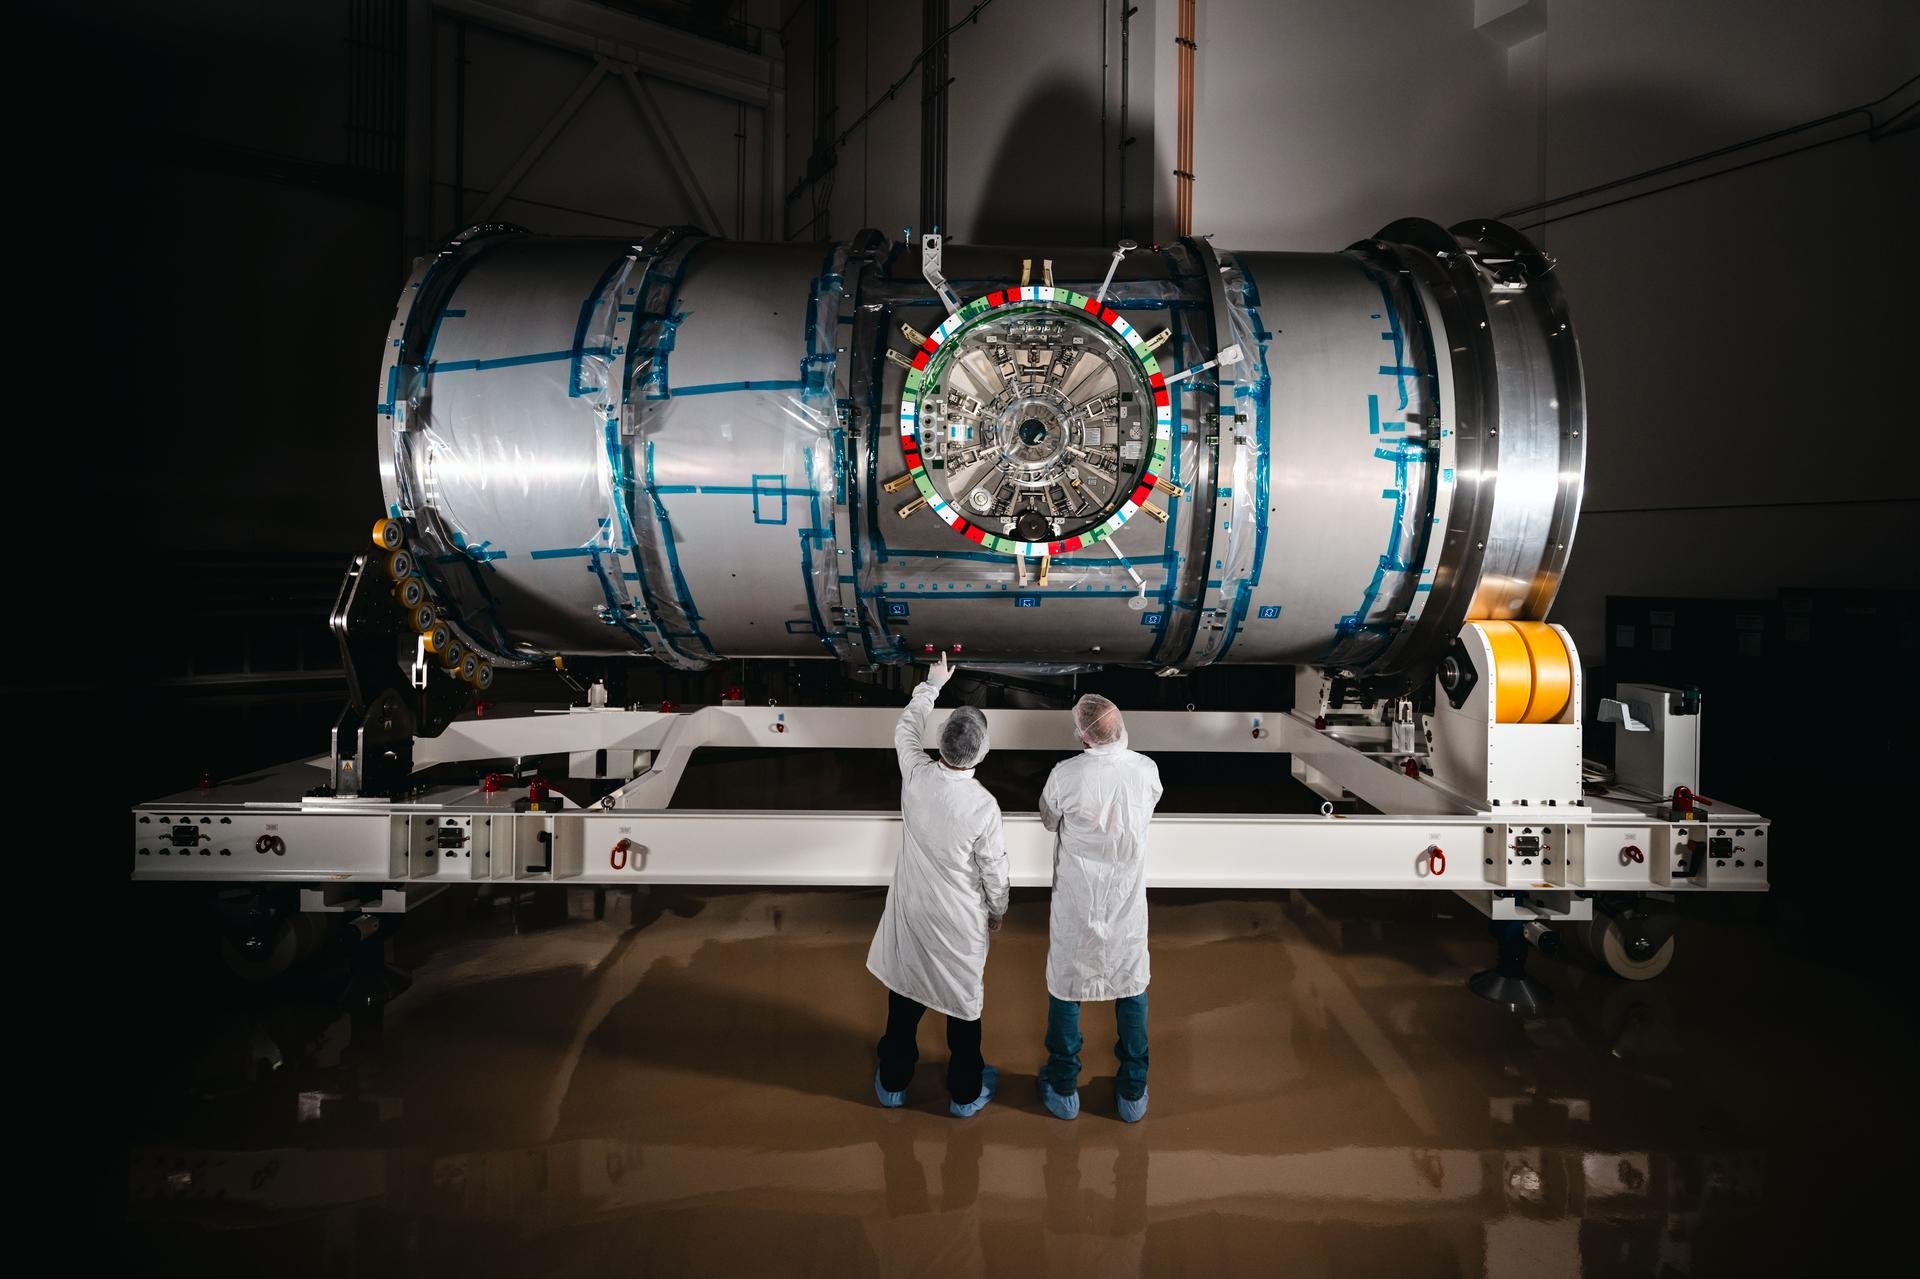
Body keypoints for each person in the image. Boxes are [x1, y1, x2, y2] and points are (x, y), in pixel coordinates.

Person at [867, 653, 1009, 1116]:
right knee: (963, 1014)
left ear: (942, 741)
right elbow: (993, 871)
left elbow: (905, 728)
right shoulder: (983, 806)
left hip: (913, 914)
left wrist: (932, 684)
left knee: (904, 1003)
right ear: (981, 752)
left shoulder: (916, 774)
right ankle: (965, 1096)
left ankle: (892, 1085)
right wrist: (998, 910)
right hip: (958, 924)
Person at [1036, 693, 1162, 1123]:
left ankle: (1063, 1089)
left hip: (1077, 901)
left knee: (1066, 987)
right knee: (1131, 985)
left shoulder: (1065, 775)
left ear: (1083, 735)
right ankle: (1132, 1095)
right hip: (1125, 903)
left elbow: (1049, 819)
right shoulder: (1146, 771)